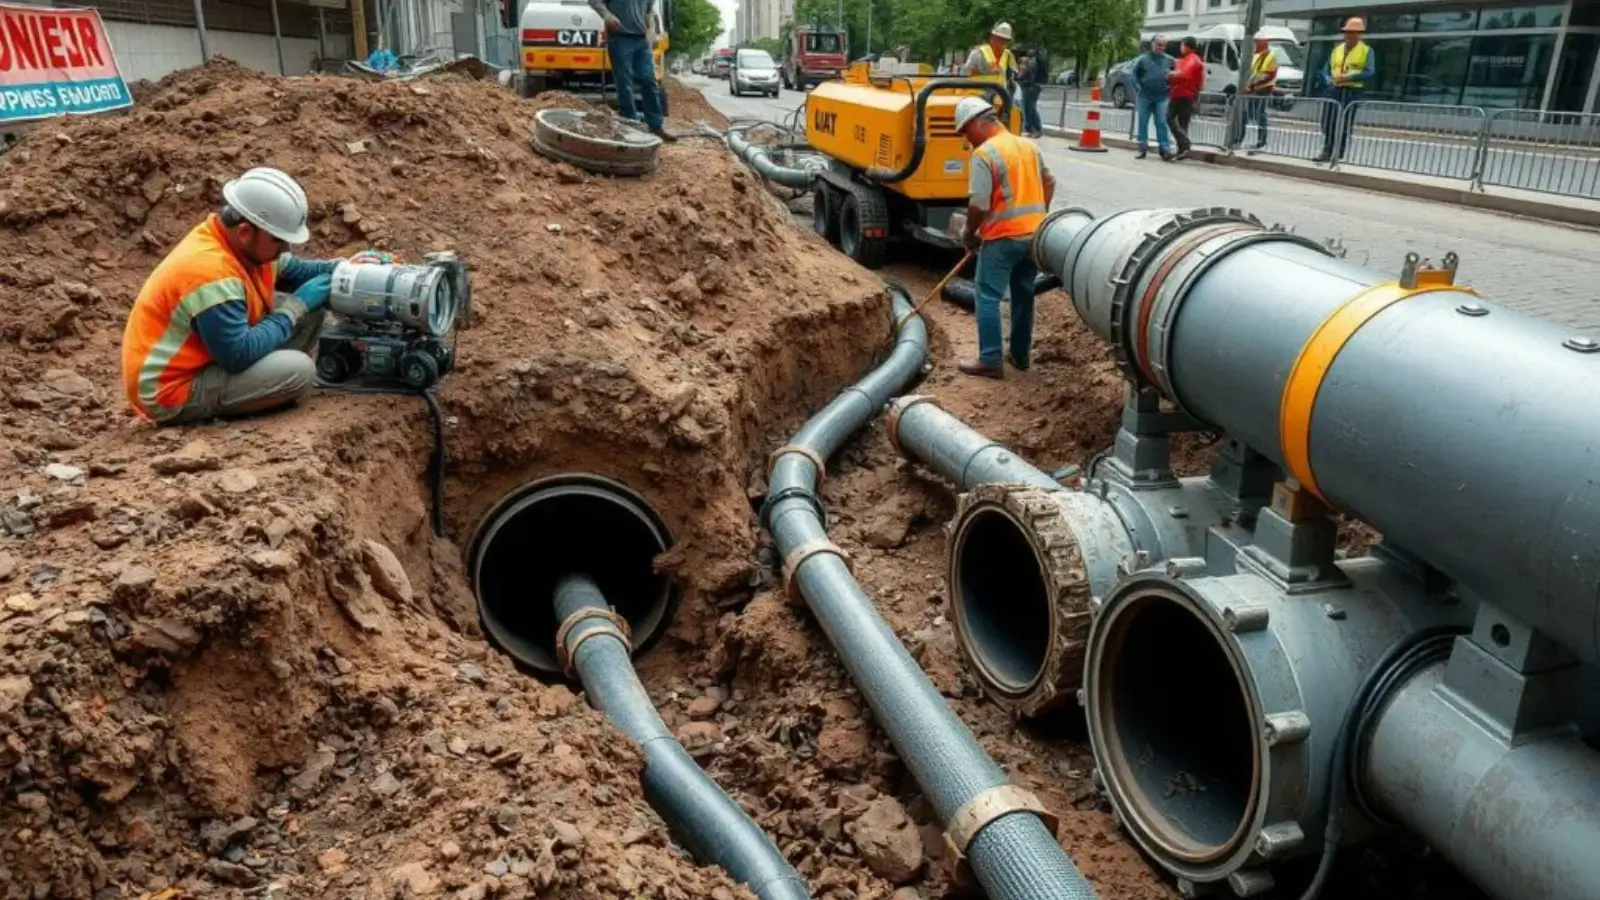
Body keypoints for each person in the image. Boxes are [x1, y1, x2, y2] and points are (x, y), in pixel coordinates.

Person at [122, 168, 360, 425]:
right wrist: (295, 307)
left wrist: (350, 268)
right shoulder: (210, 272)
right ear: (246, 232)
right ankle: (262, 388)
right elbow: (238, 355)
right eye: (279, 241)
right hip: (170, 389)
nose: (284, 250)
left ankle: (265, 379)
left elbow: (302, 272)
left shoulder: (241, 244)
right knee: (299, 371)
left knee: (308, 309)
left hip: (205, 353)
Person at [953, 96, 1056, 380]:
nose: (966, 139)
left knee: (986, 296)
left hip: (1002, 238)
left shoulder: (985, 154)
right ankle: (1020, 357)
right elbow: (1050, 182)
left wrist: (969, 233)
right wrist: (1039, 214)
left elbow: (979, 205)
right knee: (1024, 294)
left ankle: (990, 360)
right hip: (1034, 236)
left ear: (977, 122)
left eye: (965, 131)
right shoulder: (1028, 145)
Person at [589, 0, 676, 142]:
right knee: (624, 82)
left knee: (649, 80)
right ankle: (630, 124)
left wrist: (650, 30)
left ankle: (655, 125)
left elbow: (648, 12)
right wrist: (607, 15)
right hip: (620, 38)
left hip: (641, 41)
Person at [1316, 17, 1371, 162]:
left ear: (1360, 34)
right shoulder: (1337, 50)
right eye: (1347, 32)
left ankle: (1336, 152)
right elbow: (1326, 69)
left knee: (1343, 123)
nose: (1349, 35)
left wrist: (1348, 78)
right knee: (1327, 121)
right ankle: (1327, 148)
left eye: (1353, 32)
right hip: (1334, 90)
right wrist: (1329, 80)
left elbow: (1369, 72)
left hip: (1351, 92)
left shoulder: (1366, 51)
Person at [1132, 36, 1175, 161]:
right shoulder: (1143, 59)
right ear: (1153, 45)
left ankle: (1164, 149)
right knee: (1143, 122)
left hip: (1162, 97)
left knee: (1161, 122)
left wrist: (1171, 89)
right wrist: (1138, 88)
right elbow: (1134, 75)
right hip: (1145, 96)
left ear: (1165, 46)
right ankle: (1142, 148)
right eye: (1158, 44)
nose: (1160, 47)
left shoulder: (1170, 61)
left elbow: (1176, 76)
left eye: (1162, 45)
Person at [1168, 36, 1203, 159]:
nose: (1180, 48)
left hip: (1184, 94)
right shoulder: (1186, 59)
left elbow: (1185, 75)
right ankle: (1182, 148)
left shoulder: (1193, 60)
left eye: (1182, 45)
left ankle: (1184, 144)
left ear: (1187, 46)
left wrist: (1171, 74)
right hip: (1181, 94)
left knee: (1170, 118)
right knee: (1181, 122)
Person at [1244, 37, 1279, 151]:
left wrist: (1252, 85)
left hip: (1264, 89)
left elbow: (1269, 75)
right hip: (1255, 89)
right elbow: (1253, 73)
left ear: (1264, 43)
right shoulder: (1257, 56)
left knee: (1261, 115)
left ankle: (1261, 141)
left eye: (1257, 42)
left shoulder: (1271, 56)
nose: (1255, 44)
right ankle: (1256, 140)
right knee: (1253, 115)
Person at [963, 22, 1017, 88]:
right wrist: (986, 72)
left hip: (999, 94)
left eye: (1004, 40)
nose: (1001, 42)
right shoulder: (978, 52)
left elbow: (1011, 76)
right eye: (999, 38)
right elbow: (966, 71)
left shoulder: (1008, 55)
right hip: (979, 92)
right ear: (992, 37)